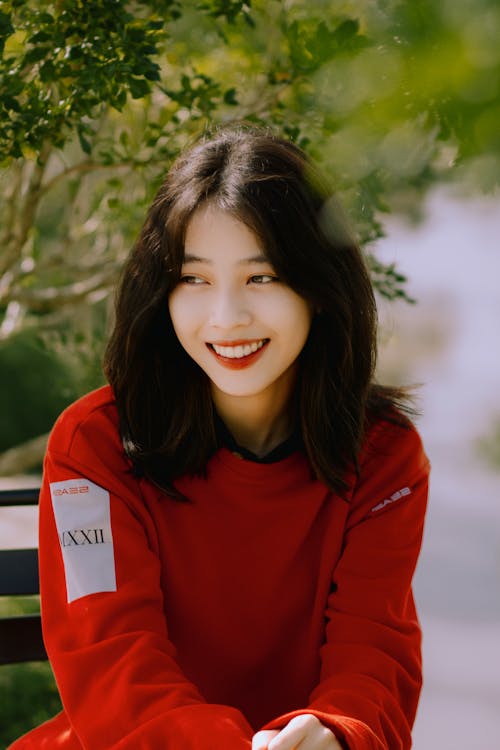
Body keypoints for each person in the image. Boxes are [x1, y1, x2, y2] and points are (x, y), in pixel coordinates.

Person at [10, 124, 429, 750]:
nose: (226, 317)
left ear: (319, 289)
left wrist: (337, 735)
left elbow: (375, 655)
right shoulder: (93, 448)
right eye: (194, 279)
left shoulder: (384, 456)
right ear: (160, 292)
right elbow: (110, 661)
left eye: (261, 278)